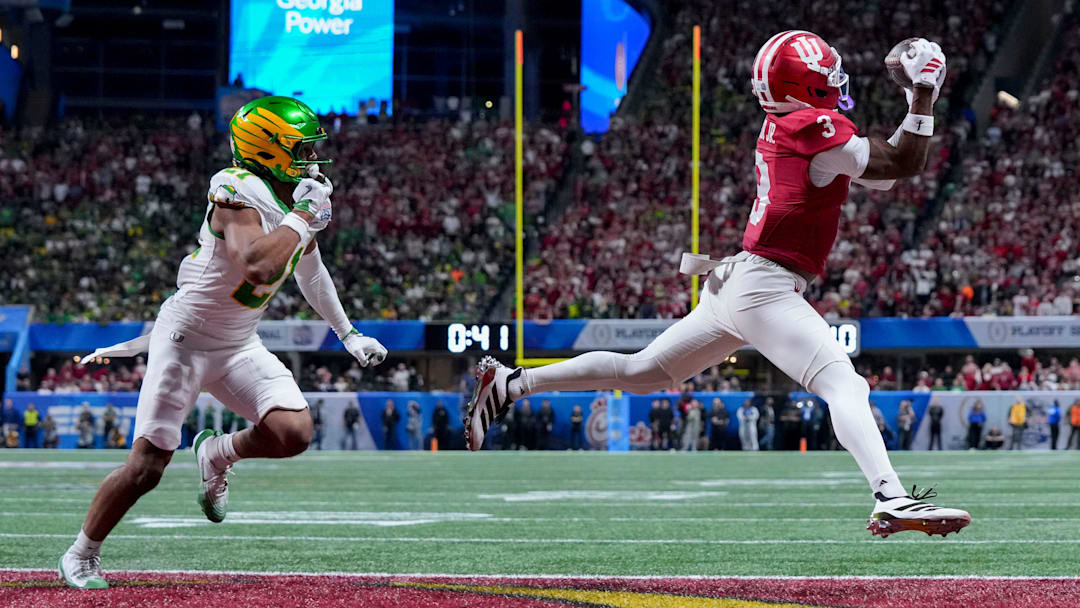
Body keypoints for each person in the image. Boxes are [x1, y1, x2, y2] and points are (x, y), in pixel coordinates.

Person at [465, 33, 968, 537]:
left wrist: (916, 100)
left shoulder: (793, 124)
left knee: (644, 371)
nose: (834, 84)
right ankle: (891, 496)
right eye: (825, 77)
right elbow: (901, 164)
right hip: (764, 286)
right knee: (844, 383)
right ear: (805, 86)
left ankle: (514, 383)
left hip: (741, 280)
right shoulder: (809, 123)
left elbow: (884, 172)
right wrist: (921, 93)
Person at [59, 97, 388, 589]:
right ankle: (80, 554)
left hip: (237, 342)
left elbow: (310, 271)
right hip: (185, 341)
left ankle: (218, 454)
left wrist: (349, 333)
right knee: (147, 468)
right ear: (268, 149)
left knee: (294, 432)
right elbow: (257, 264)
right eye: (300, 148)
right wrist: (302, 215)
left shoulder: (291, 196)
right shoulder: (236, 187)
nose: (312, 159)